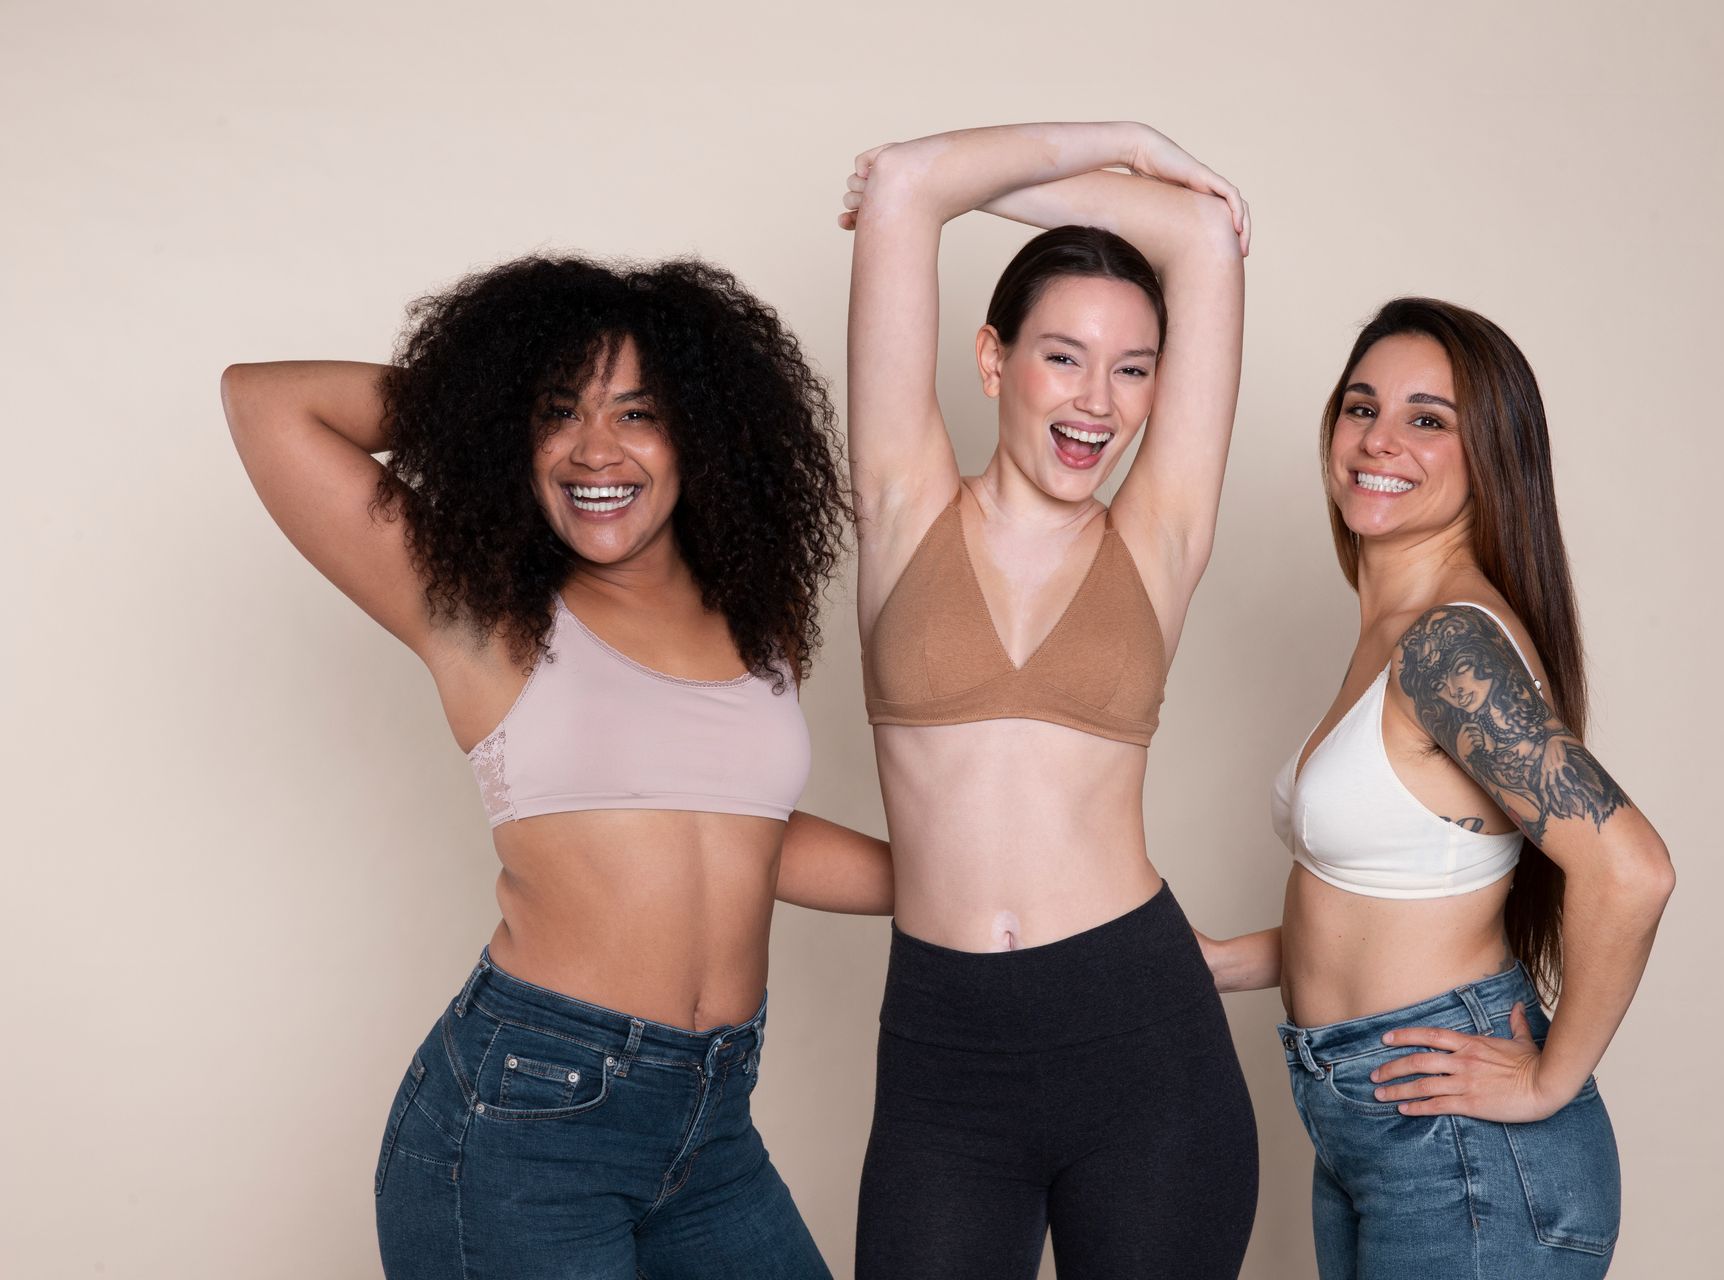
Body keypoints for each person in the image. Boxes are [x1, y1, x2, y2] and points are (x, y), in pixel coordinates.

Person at [222, 255, 889, 1279]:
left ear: (702, 432)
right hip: (526, 1122)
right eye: (558, 411)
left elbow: (752, 838)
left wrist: (958, 883)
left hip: (710, 1121)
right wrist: (481, 395)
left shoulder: (753, 621)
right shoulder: (480, 609)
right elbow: (265, 403)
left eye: (638, 413)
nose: (593, 448)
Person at [837, 122, 1256, 1279]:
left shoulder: (1157, 537)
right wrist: (1126, 141)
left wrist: (1156, 186)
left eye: (1133, 367)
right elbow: (908, 192)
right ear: (992, 360)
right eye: (1062, 355)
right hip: (944, 1055)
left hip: (1144, 1040)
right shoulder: (904, 503)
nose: (1100, 400)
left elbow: (1205, 237)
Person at [1199, 298, 1676, 1278]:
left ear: (1492, 454)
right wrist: (1219, 961)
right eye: (1361, 405)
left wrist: (1551, 1077)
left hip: (1459, 1153)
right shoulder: (1398, 629)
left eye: (1428, 418)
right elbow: (1403, 899)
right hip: (1374, 1124)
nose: (1380, 438)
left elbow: (1632, 870)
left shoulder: (1449, 644)